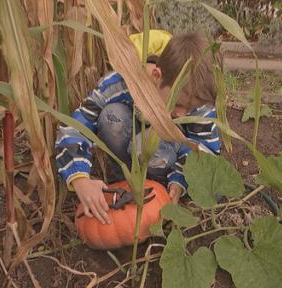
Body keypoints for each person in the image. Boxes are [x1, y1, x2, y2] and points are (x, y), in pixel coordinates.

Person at [55, 31, 221, 225]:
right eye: (177, 105)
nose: (182, 115)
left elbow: (204, 147)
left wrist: (179, 180)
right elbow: (75, 126)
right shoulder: (120, 83)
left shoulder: (196, 98)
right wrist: (80, 179)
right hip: (130, 148)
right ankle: (122, 181)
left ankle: (161, 185)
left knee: (146, 146)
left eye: (190, 109)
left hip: (169, 155)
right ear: (157, 76)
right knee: (112, 116)